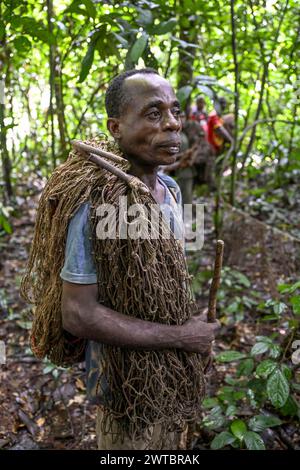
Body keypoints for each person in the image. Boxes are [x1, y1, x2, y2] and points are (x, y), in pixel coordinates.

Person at [21, 68, 219, 450]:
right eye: (153, 114)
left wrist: (187, 331)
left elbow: (170, 276)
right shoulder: (95, 203)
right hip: (122, 386)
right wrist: (180, 337)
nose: (173, 124)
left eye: (175, 112)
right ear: (116, 127)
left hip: (172, 377)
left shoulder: (171, 190)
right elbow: (77, 314)